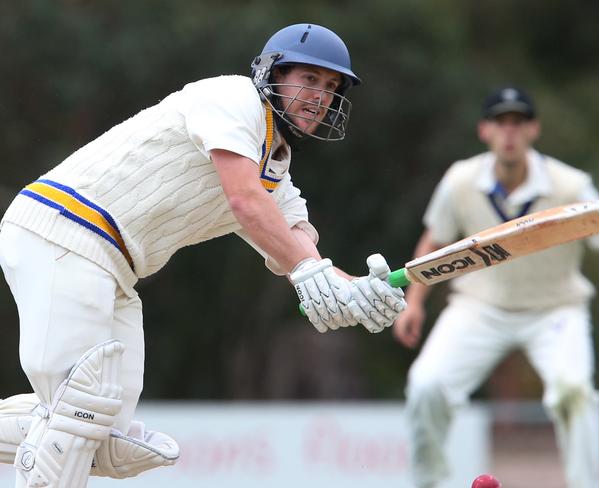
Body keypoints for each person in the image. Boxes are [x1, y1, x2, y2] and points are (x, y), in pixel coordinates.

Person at [0, 23, 406, 487]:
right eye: (309, 79)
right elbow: (245, 201)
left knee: (105, 438)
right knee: (79, 410)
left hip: (111, 268)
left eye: (331, 87)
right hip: (63, 233)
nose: (320, 95)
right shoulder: (234, 99)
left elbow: (295, 241)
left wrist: (355, 291)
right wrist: (309, 270)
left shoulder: (274, 164)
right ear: (272, 72)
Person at [392, 86, 599, 488]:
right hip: (479, 306)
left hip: (556, 309)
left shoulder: (570, 185)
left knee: (574, 392)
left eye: (518, 123)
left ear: (533, 130)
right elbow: (435, 241)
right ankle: (428, 483)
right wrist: (414, 303)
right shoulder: (460, 180)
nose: (508, 133)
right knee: (426, 385)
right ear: (484, 130)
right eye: (500, 123)